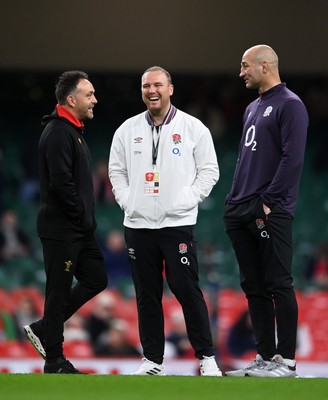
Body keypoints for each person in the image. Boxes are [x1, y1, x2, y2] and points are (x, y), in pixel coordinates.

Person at [108, 66, 221, 376]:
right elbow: (115, 171)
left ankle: (207, 357)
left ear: (170, 88)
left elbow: (210, 170)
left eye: (157, 84)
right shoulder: (127, 130)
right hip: (138, 224)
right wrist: (127, 200)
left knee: (186, 289)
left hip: (177, 223)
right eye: (146, 86)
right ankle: (153, 361)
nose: (151, 90)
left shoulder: (193, 127)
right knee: (146, 294)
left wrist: (187, 199)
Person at [223, 45, 308, 378]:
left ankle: (285, 362)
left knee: (278, 283)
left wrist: (269, 201)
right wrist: (234, 200)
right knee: (253, 285)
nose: (241, 72)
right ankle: (264, 356)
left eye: (245, 66)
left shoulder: (291, 105)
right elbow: (248, 158)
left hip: (270, 209)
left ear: (264, 66)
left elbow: (293, 158)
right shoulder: (252, 108)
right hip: (241, 205)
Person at [23, 70, 108, 374]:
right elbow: (61, 185)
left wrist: (84, 222)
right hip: (62, 228)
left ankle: (45, 327)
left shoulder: (72, 131)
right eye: (89, 94)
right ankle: (54, 360)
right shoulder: (59, 132)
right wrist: (82, 217)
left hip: (77, 228)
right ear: (71, 100)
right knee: (57, 291)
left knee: (97, 277)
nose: (94, 99)